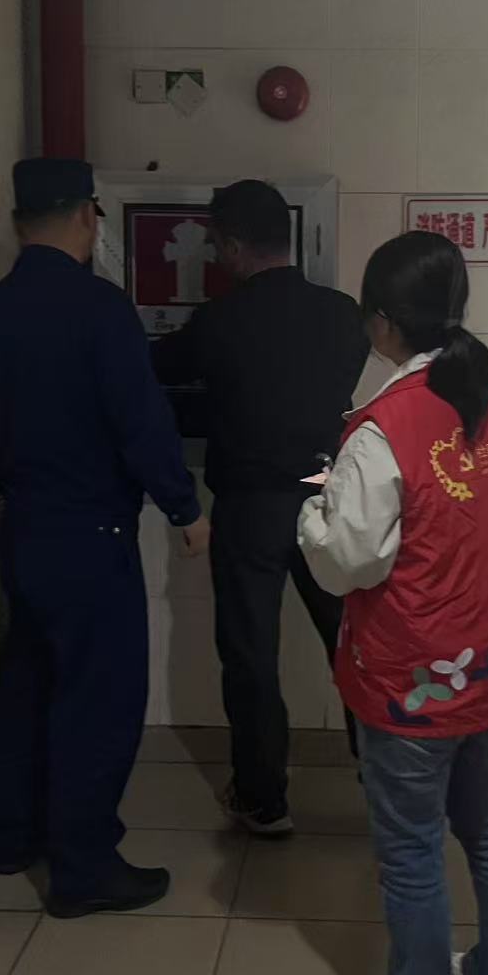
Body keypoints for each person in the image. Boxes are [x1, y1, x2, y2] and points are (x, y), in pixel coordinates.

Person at [299, 231, 488, 975]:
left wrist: (313, 514)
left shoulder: (384, 427)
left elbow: (346, 563)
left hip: (413, 676)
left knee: (410, 849)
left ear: (381, 323)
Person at [0, 156, 209, 918]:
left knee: (29, 682)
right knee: (99, 700)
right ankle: (83, 868)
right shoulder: (99, 309)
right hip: (91, 537)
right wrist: (184, 508)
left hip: (23, 527)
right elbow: (140, 421)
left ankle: (14, 836)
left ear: (17, 223)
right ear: (85, 216)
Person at [152, 179, 369, 834]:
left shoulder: (219, 321)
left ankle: (263, 796)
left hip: (249, 509)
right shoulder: (343, 315)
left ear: (235, 246)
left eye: (217, 245)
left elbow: (156, 367)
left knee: (250, 654)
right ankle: (387, 779)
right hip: (325, 498)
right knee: (353, 646)